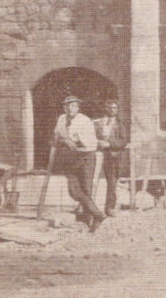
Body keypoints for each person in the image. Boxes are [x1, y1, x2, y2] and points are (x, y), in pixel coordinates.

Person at [53, 95, 106, 232]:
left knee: (86, 189)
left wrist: (69, 141)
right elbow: (57, 136)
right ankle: (98, 215)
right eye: (67, 106)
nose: (70, 108)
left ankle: (90, 219)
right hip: (71, 158)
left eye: (73, 106)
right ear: (64, 107)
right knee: (74, 191)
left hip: (86, 157)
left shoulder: (84, 121)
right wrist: (64, 141)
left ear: (78, 108)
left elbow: (86, 142)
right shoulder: (61, 119)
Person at [94, 99, 128, 217]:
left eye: (114, 108)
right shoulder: (97, 122)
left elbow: (123, 141)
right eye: (110, 108)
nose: (112, 110)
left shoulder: (120, 124)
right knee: (90, 180)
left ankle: (109, 208)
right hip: (96, 155)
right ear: (105, 108)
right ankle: (86, 207)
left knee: (112, 182)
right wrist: (97, 142)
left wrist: (110, 144)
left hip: (112, 156)